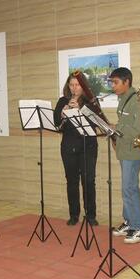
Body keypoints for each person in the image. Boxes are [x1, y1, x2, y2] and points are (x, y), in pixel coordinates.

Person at [54, 72, 98, 226]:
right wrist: (63, 114)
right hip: (69, 146)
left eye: (77, 85)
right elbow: (57, 126)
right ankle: (74, 215)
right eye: (71, 85)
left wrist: (80, 108)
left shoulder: (91, 101)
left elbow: (96, 122)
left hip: (89, 146)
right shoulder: (62, 101)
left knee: (89, 181)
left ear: (83, 85)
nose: (74, 88)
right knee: (72, 182)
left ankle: (91, 215)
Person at [110, 67, 140, 244]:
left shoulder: (136, 100)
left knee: (129, 189)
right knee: (126, 188)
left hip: (133, 152)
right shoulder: (123, 98)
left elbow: (139, 129)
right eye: (112, 82)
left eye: (116, 82)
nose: (113, 86)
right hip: (124, 151)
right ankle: (128, 221)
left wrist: (117, 128)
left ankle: (138, 226)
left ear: (127, 82)